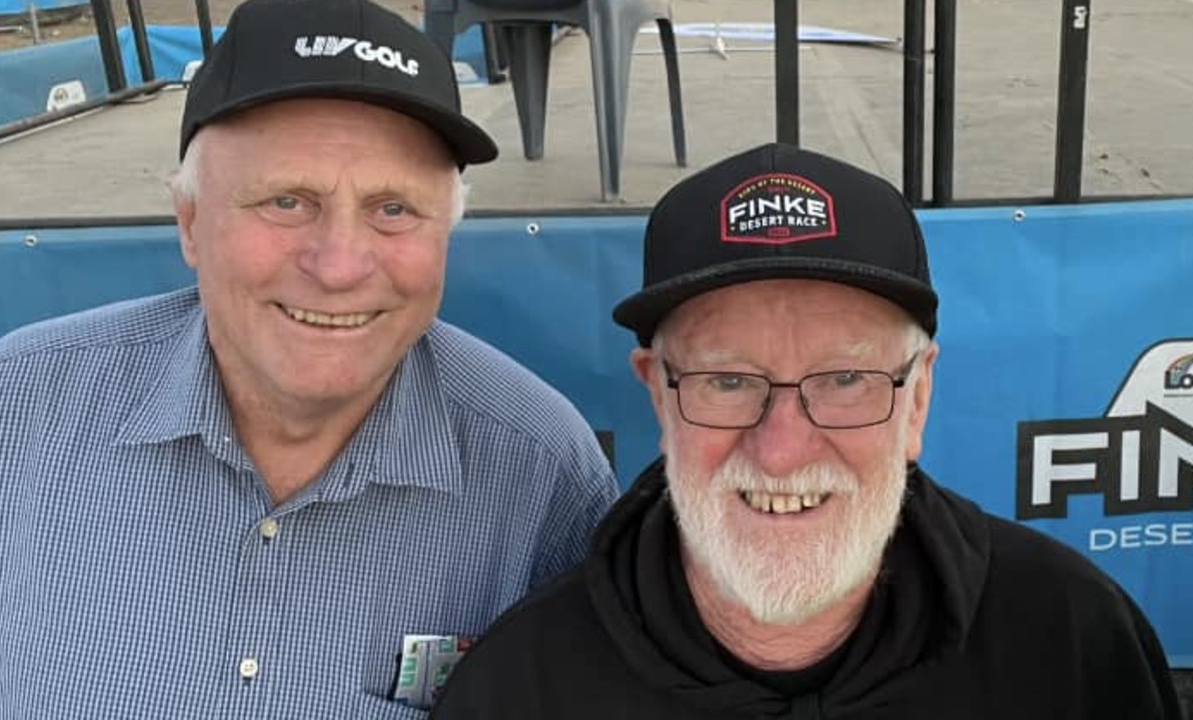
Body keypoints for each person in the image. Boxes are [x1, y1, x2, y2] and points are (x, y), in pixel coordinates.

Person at [0, 0, 618, 715]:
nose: (339, 264)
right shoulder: (1, 414)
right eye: (287, 201)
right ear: (190, 223)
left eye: (394, 209)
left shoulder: (542, 473)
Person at [430, 143, 1184, 718]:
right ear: (659, 397)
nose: (783, 448)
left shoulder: (1071, 641)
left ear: (916, 402)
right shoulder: (523, 687)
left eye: (846, 380)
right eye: (727, 381)